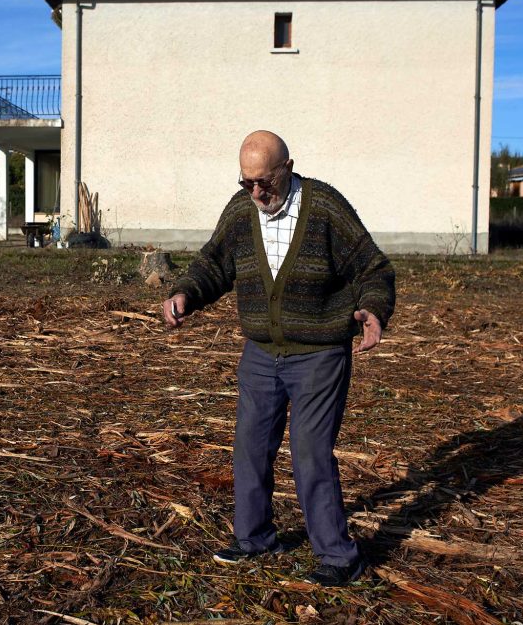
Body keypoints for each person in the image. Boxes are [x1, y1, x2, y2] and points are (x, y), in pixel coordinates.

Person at [162, 130, 395, 587]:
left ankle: (339, 555)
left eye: (263, 181)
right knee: (250, 447)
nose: (255, 192)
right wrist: (186, 292)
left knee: (310, 451)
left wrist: (374, 309)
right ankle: (254, 538)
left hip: (319, 354)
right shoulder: (241, 208)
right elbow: (215, 262)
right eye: (246, 182)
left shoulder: (325, 207)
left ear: (287, 168)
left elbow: (372, 267)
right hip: (261, 353)